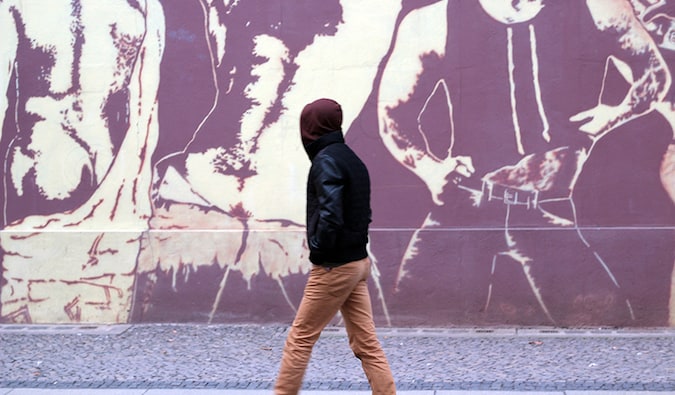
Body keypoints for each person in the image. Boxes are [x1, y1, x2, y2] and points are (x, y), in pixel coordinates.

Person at [364, 0, 675, 326]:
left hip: (548, 206)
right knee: (420, 326)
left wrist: (608, 119)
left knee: (605, 329)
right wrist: (429, 169)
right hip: (466, 202)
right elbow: (392, 113)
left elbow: (653, 73)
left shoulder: (597, 7)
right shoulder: (431, 21)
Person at [275, 98, 396, 395]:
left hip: (335, 266)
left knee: (300, 338)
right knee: (365, 342)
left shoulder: (326, 161)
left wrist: (319, 250)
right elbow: (361, 213)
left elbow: (331, 215)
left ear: (311, 127)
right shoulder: (350, 158)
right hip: (357, 263)